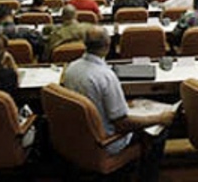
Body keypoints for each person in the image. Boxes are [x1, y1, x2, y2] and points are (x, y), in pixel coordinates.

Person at [63, 27, 174, 182]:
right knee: (159, 132)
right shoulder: (106, 77)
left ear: (84, 44)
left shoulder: (71, 68)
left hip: (78, 136)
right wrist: (159, 118)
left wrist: (124, 104)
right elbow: (122, 124)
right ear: (108, 44)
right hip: (108, 142)